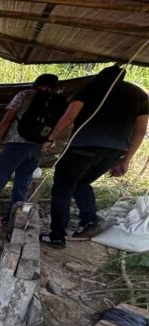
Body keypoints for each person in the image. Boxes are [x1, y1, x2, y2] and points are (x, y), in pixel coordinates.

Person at [41, 65, 149, 248]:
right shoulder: (139, 94)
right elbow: (141, 130)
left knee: (62, 189)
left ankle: (56, 236)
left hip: (84, 145)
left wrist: (50, 138)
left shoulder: (92, 87)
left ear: (101, 76)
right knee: (81, 182)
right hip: (115, 151)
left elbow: (70, 115)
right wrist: (126, 159)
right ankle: (89, 221)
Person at [0, 73, 59, 221]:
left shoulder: (24, 95)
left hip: (16, 144)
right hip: (37, 148)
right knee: (22, 184)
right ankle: (16, 220)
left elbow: (6, 121)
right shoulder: (56, 102)